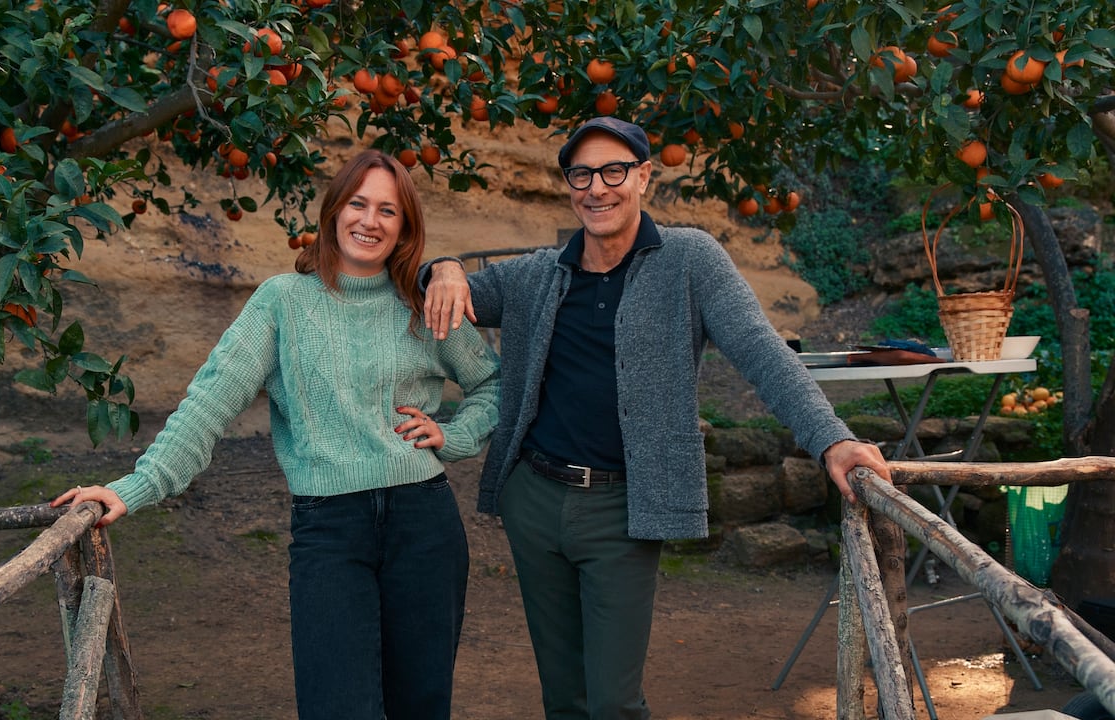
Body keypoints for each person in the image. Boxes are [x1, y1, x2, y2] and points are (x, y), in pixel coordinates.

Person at [420, 117, 892, 720]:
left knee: (614, 703)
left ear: (644, 176)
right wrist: (444, 266)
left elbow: (762, 351)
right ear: (569, 185)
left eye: (613, 171)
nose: (597, 188)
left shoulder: (690, 259)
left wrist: (832, 440)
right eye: (582, 175)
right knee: (563, 698)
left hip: (623, 509)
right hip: (533, 500)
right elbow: (447, 286)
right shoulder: (538, 273)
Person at [52, 149, 500, 719]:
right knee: (336, 707)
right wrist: (135, 487)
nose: (370, 221)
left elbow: (494, 384)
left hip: (425, 525)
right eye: (358, 204)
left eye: (388, 210)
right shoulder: (282, 302)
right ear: (334, 211)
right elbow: (210, 402)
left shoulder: (422, 303)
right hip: (330, 531)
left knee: (421, 706)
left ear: (405, 227)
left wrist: (454, 437)